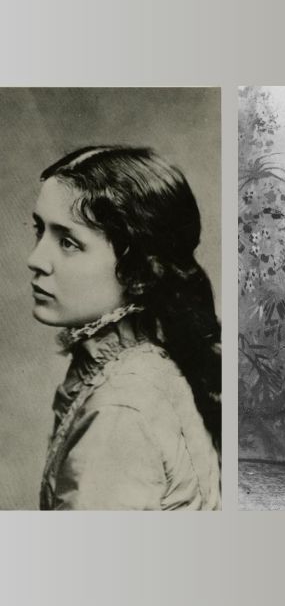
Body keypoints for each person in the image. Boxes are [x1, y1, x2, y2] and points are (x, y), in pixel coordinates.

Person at [29, 146, 221, 510]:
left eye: (68, 242)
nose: (35, 259)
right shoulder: (133, 362)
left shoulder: (120, 405)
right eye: (40, 230)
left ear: (137, 271)